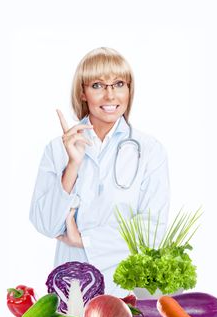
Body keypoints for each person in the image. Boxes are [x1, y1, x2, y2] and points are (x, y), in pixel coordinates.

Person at [29, 47, 170, 297]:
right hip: (70, 292)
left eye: (118, 84)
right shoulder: (57, 149)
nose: (110, 95)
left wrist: (85, 240)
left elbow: (152, 231)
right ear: (82, 93)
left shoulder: (149, 150)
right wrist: (72, 165)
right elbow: (45, 224)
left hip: (127, 293)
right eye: (97, 85)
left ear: (129, 90)